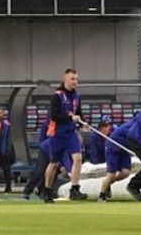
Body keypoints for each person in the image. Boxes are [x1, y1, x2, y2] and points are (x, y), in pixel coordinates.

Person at [43, 68, 87, 203]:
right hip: (57, 134)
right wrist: (69, 118)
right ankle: (47, 190)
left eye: (76, 79)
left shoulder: (76, 96)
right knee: (54, 163)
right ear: (65, 79)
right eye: (72, 79)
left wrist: (83, 122)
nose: (75, 82)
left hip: (71, 133)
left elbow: (78, 113)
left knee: (78, 158)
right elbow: (54, 116)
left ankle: (74, 189)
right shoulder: (57, 96)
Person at [99, 118, 134, 202]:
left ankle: (108, 183)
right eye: (104, 126)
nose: (107, 128)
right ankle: (102, 195)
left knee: (126, 172)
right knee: (111, 173)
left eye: (108, 125)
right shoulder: (127, 127)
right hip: (112, 149)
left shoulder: (120, 128)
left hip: (123, 149)